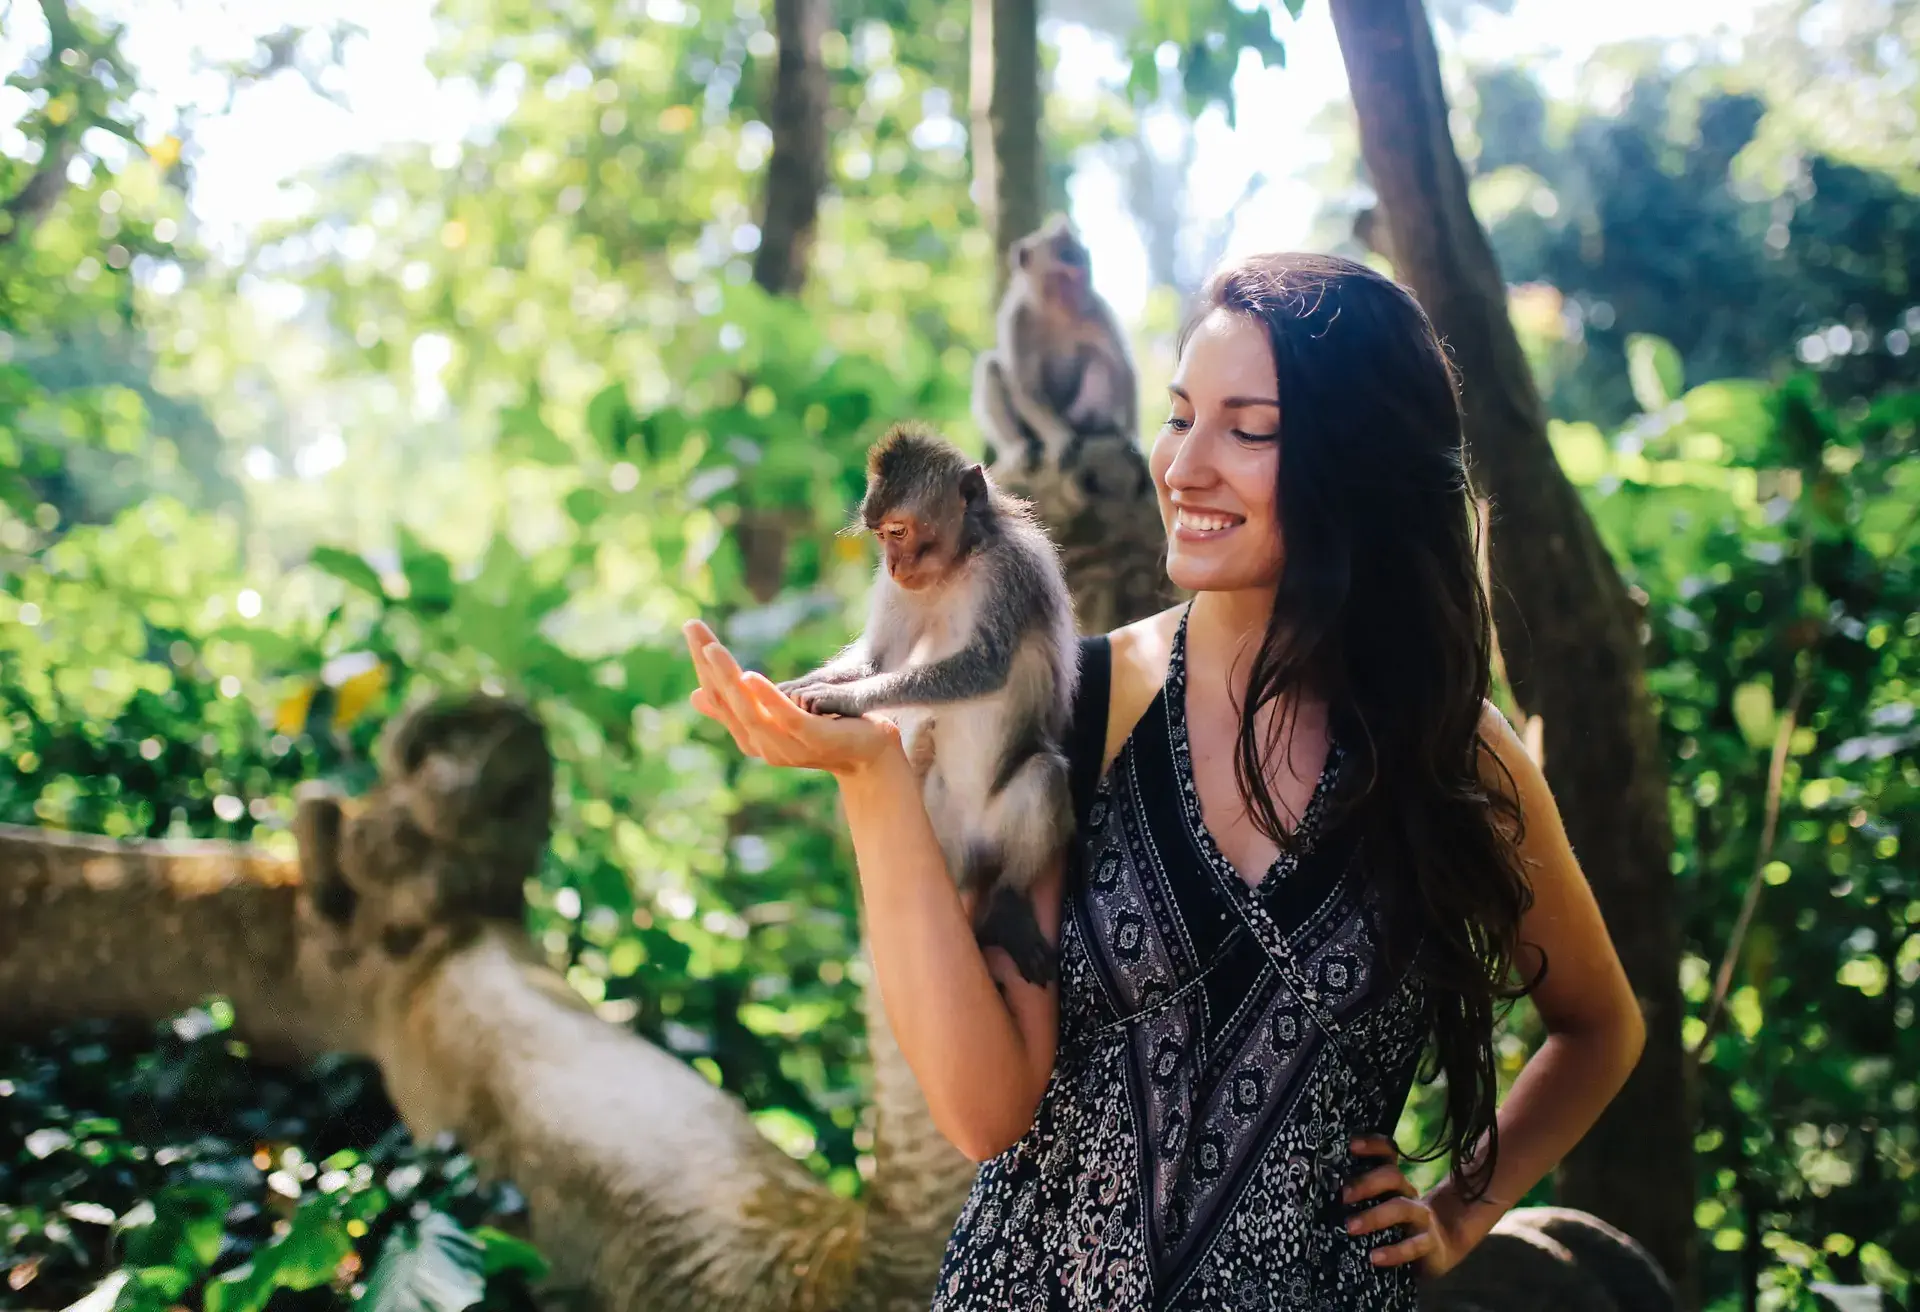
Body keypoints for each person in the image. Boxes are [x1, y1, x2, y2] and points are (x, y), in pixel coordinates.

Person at [681, 252, 1646, 1310]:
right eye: (1181, 414)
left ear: (1358, 458)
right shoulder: (1080, 706)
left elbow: (1599, 1025)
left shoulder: (1450, 751)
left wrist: (1464, 1205)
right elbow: (984, 1108)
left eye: (1249, 428)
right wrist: (871, 782)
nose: (1184, 466)